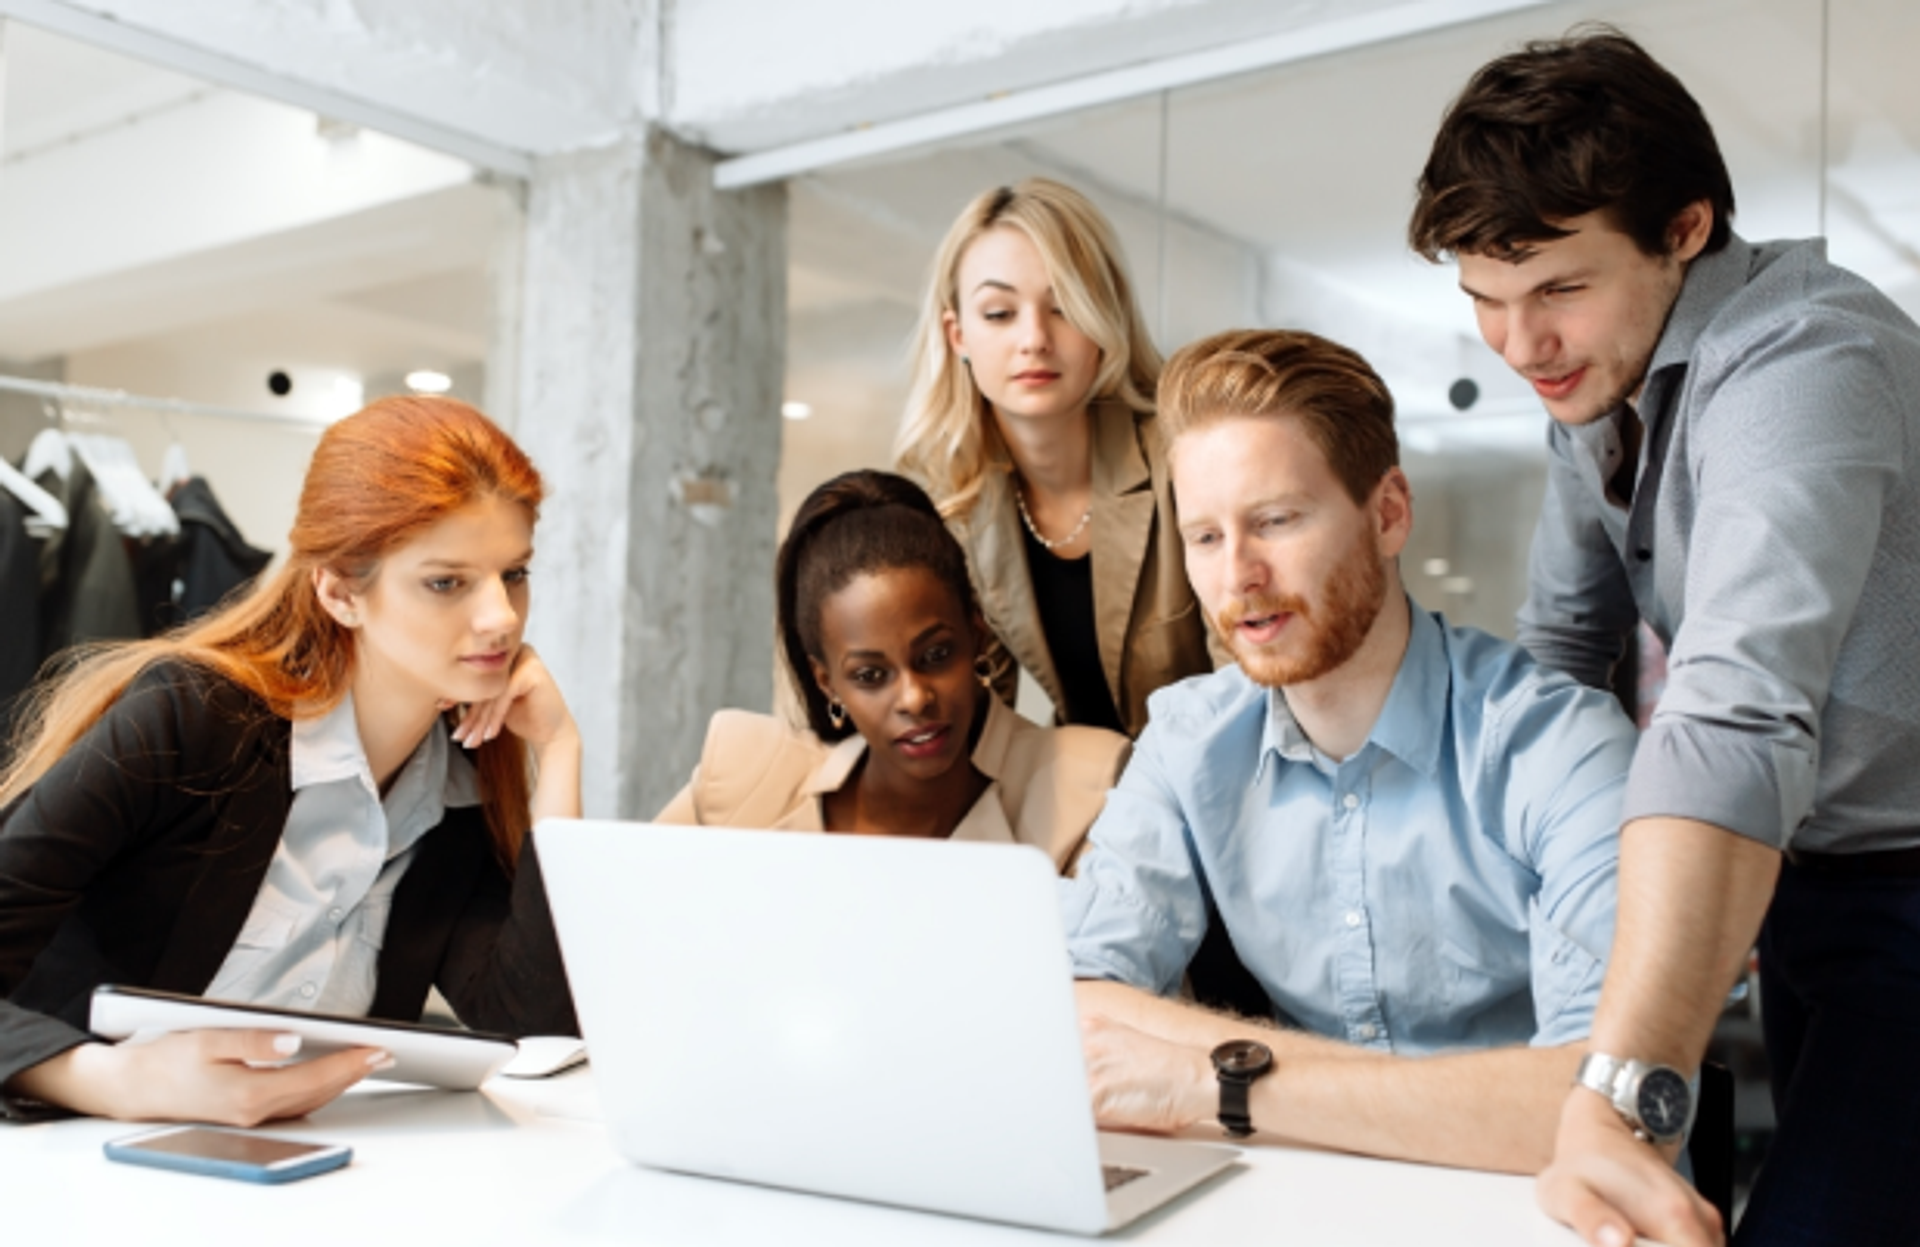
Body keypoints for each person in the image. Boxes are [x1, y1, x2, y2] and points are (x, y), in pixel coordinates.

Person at [1410, 26, 1920, 1247]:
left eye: (1558, 290)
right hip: (1799, 883)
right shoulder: (1600, 384)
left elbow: (1736, 708)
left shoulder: (1807, 358)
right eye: (1485, 300)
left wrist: (1616, 1090)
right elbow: (1559, 651)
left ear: (1685, 229)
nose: (1521, 344)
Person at [1061, 328, 1638, 1174]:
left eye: (1276, 520)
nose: (1238, 576)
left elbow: (1609, 1104)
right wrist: (1436, 1099)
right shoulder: (1186, 740)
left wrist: (1216, 1082)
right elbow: (1081, 1012)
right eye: (1206, 537)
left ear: (1390, 513)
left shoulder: (1559, 747)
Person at [0, 396, 583, 1126]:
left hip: (311, 1180)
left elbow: (537, 1023)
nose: (501, 617)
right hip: (78, 1170)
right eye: (447, 581)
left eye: (515, 574)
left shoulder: (458, 789)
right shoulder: (190, 718)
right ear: (340, 591)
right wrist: (109, 1080)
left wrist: (560, 751)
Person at [658, 469, 1126, 866]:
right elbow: (599, 926)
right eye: (869, 676)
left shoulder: (1086, 788)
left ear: (977, 634)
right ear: (828, 683)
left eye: (936, 656)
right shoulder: (743, 776)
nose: (915, 698)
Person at [895, 177, 1217, 741]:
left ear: (1105, 318)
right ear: (958, 335)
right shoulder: (960, 502)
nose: (1035, 339)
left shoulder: (1189, 459)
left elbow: (1256, 686)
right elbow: (975, 716)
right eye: (999, 313)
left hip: (1221, 790)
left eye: (1064, 306)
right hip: (1083, 794)